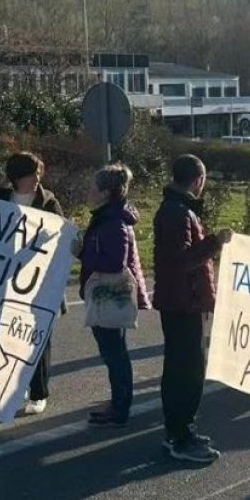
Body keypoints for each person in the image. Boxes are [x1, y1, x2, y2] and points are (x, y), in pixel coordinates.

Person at [153, 155, 233, 462]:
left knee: (181, 368)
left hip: (181, 300)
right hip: (183, 302)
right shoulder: (178, 213)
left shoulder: (176, 209)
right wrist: (215, 242)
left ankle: (180, 430)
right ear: (198, 180)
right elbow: (184, 261)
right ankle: (180, 436)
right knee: (187, 372)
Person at [0, 152, 64, 415]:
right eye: (33, 174)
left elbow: (59, 239)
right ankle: (13, 385)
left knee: (37, 340)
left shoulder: (48, 202)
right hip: (6, 281)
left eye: (40, 173)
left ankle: (38, 393)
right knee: (7, 336)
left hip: (38, 284)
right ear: (18, 176)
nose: (38, 179)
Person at [78, 164, 150, 427]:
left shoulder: (113, 222)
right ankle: (118, 404)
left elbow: (115, 262)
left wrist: (82, 253)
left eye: (93, 188)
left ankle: (120, 408)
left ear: (106, 192)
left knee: (115, 355)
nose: (89, 192)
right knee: (114, 353)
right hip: (106, 296)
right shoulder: (109, 217)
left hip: (108, 296)